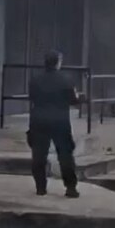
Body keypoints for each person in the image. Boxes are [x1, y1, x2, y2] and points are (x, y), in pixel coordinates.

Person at [27, 50, 81, 198]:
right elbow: (73, 100)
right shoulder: (66, 80)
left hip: (39, 120)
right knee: (65, 155)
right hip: (60, 120)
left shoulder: (35, 79)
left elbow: (32, 97)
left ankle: (40, 187)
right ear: (58, 62)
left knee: (39, 155)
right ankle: (70, 187)